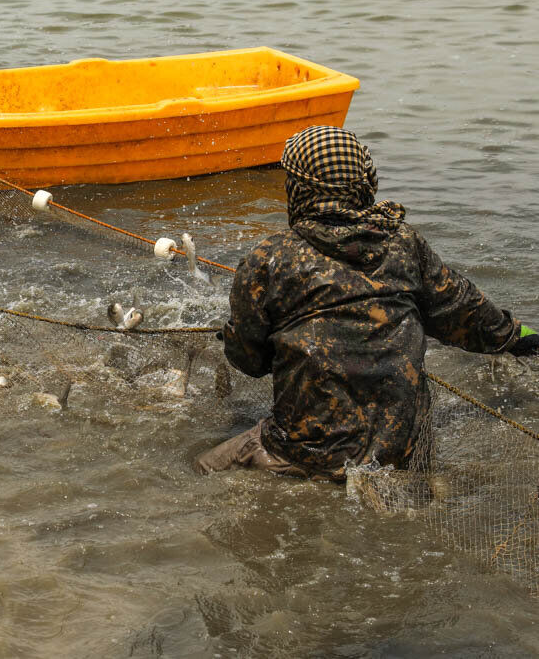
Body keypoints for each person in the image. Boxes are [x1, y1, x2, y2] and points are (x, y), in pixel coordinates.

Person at [196, 124, 539, 482]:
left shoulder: (270, 258)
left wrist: (239, 336)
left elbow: (249, 362)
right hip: (398, 452)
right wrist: (524, 337)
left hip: (306, 451)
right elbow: (468, 316)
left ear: (299, 189)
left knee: (202, 467)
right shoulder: (404, 243)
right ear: (364, 183)